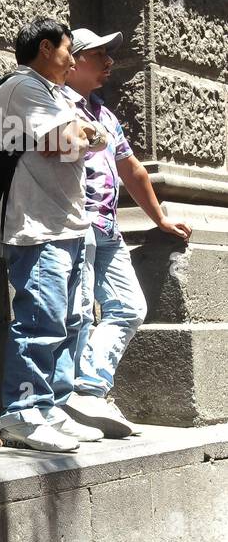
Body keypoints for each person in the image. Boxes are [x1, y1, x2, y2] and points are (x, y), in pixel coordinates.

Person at [59, 28, 192, 438]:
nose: (109, 63)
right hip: (73, 225)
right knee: (77, 313)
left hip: (107, 229)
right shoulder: (53, 103)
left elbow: (131, 169)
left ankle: (88, 389)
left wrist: (159, 219)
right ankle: (70, 400)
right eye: (100, 55)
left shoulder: (104, 113)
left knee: (129, 307)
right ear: (75, 60)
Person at [0, 18, 111, 453]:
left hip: (67, 224)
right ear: (46, 48)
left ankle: (52, 407)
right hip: (37, 227)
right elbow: (59, 143)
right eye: (67, 52)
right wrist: (85, 135)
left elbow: (92, 136)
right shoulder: (24, 87)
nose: (73, 61)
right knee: (40, 321)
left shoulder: (55, 91)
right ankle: (22, 414)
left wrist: (86, 134)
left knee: (67, 321)